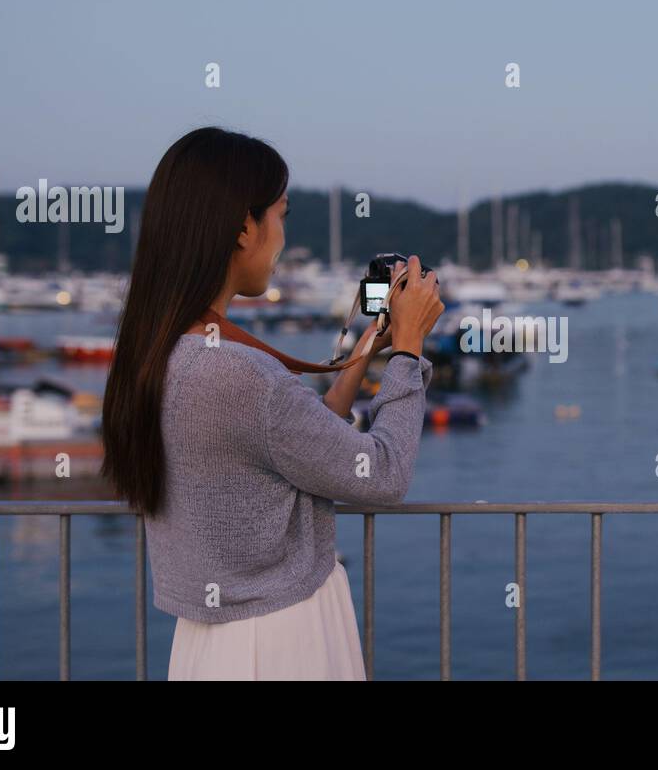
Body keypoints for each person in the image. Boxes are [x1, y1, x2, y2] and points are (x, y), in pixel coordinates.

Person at [100, 126, 444, 679]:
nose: (283, 237)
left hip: (210, 643)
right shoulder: (238, 375)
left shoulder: (164, 351)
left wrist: (364, 351)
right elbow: (382, 476)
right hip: (281, 640)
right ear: (243, 226)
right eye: (281, 215)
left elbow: (298, 442)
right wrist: (407, 351)